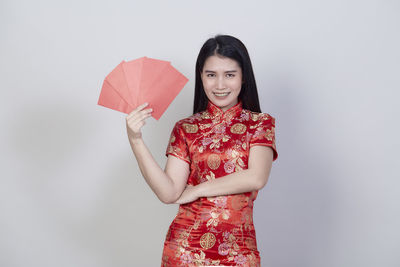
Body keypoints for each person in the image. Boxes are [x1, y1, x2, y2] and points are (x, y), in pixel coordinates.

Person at [126, 34, 278, 267]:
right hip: (185, 250)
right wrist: (136, 139)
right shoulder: (186, 128)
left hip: (238, 253)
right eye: (211, 75)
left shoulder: (259, 123)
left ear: (244, 77)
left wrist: (198, 190)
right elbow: (169, 193)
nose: (219, 85)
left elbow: (256, 177)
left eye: (229, 75)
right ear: (201, 77)